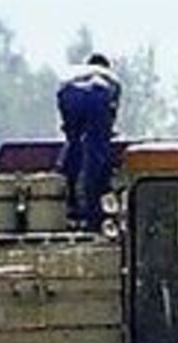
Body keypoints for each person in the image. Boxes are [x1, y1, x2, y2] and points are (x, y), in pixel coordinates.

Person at [56, 53, 123, 227]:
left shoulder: (76, 73)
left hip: (68, 93)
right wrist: (104, 132)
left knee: (73, 144)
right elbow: (111, 114)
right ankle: (92, 210)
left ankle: (67, 193)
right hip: (97, 94)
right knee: (96, 151)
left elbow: (68, 123)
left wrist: (72, 131)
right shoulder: (111, 79)